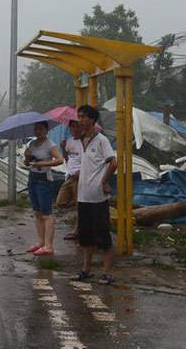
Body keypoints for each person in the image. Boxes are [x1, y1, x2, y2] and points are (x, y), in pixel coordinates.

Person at [71, 105, 117, 285]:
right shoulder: (82, 140)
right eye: (79, 116)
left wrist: (104, 182)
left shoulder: (101, 141)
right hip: (84, 196)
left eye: (83, 117)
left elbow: (113, 164)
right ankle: (86, 269)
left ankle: (106, 272)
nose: (80, 120)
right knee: (86, 235)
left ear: (92, 119)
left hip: (97, 197)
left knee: (102, 235)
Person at [24, 121, 64, 256]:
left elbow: (60, 160)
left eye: (40, 129)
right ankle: (40, 242)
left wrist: (44, 163)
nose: (37, 131)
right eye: (36, 129)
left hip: (44, 180)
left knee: (46, 213)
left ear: (46, 130)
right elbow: (26, 163)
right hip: (32, 178)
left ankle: (48, 246)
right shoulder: (31, 144)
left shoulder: (50, 145)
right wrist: (26, 156)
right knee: (37, 213)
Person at [55, 119, 82, 240]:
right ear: (70, 128)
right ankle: (73, 201)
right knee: (60, 202)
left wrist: (81, 172)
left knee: (79, 208)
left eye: (78, 126)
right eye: (73, 127)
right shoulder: (69, 141)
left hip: (79, 177)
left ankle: (77, 230)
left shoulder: (85, 142)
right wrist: (62, 148)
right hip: (69, 176)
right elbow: (68, 159)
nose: (76, 129)